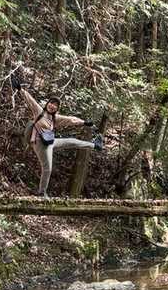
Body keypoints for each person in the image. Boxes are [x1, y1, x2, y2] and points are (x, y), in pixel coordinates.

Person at [15, 69, 103, 197]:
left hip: (50, 142)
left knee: (73, 142)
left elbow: (71, 119)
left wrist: (84, 122)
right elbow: (30, 100)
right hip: (40, 144)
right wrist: (20, 89)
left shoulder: (55, 118)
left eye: (55, 105)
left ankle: (96, 145)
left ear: (57, 108)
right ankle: (42, 192)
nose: (52, 106)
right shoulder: (39, 112)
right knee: (47, 168)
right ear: (47, 104)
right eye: (51, 103)